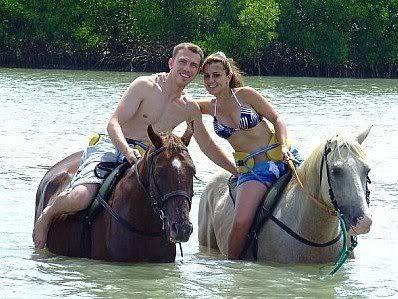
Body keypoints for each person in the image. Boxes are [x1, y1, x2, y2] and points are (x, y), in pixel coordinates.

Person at [32, 43, 237, 249]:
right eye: (182, 62)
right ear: (171, 62)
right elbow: (113, 123)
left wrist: (235, 170)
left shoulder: (189, 107)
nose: (187, 68)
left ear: (197, 70)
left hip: (148, 156)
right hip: (115, 146)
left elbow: (207, 145)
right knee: (81, 198)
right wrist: (127, 152)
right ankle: (47, 215)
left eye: (193, 65)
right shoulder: (145, 86)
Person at [198, 52, 300, 260]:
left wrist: (283, 147)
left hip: (281, 157)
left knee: (325, 189)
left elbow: (276, 119)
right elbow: (180, 103)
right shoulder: (209, 107)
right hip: (254, 172)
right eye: (206, 76)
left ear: (228, 76)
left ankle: (347, 244)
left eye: (216, 75)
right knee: (240, 222)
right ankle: (235, 268)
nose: (211, 81)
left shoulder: (246, 94)